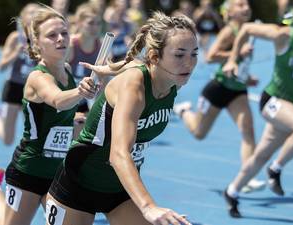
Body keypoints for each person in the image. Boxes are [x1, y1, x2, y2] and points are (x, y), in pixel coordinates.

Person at [43, 11, 197, 225]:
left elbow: (131, 63)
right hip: (79, 182)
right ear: (155, 57)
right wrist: (149, 207)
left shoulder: (172, 81)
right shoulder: (134, 84)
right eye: (180, 55)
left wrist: (108, 68)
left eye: (194, 54)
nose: (189, 63)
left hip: (119, 188)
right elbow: (118, 153)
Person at [0, 6, 97, 225]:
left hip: (57, 171)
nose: (60, 39)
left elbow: (60, 118)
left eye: (64, 33)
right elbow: (57, 99)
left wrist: (77, 122)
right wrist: (80, 91)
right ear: (37, 43)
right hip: (29, 170)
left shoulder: (66, 70)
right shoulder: (38, 77)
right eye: (52, 35)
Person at [222, 0, 293, 218]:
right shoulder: (283, 35)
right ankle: (276, 168)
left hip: (291, 109)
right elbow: (246, 28)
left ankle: (232, 191)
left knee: (260, 156)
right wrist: (232, 60)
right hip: (273, 101)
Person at [173, 0, 264, 194]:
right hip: (218, 88)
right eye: (239, 5)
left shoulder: (250, 31)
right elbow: (211, 56)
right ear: (229, 13)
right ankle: (184, 111)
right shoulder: (229, 31)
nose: (246, 7)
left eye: (246, 4)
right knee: (199, 133)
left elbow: (238, 64)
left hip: (238, 89)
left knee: (248, 129)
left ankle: (248, 177)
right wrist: (237, 51)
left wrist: (247, 79)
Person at [0, 3, 40, 146]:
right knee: (8, 140)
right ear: (22, 17)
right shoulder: (15, 38)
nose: (33, 16)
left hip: (33, 88)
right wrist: (16, 52)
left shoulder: (42, 38)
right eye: (30, 13)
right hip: (14, 87)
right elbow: (2, 66)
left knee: (34, 135)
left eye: (37, 13)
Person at [66, 3, 102, 138]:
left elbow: (103, 82)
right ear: (80, 23)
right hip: (65, 100)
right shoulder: (70, 46)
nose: (95, 27)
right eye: (91, 23)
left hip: (84, 103)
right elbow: (55, 77)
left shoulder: (101, 48)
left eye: (98, 23)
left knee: (79, 145)